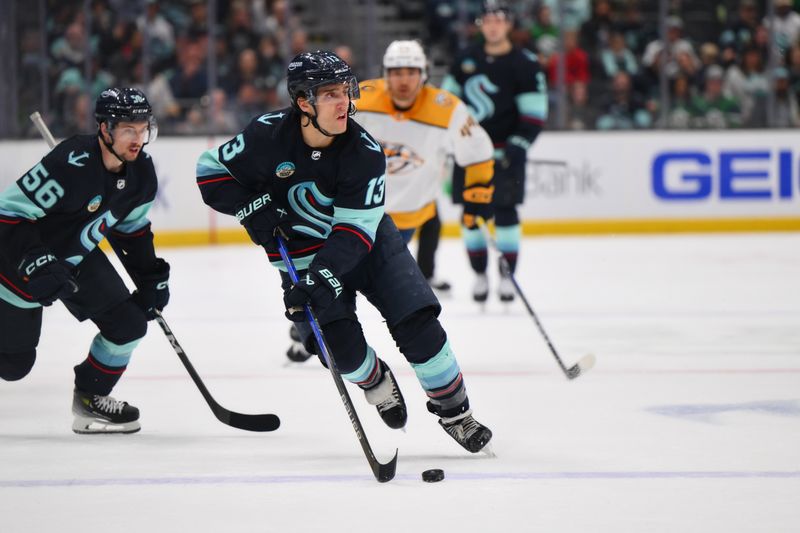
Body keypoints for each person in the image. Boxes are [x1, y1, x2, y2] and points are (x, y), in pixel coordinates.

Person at [195, 51, 493, 453]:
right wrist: (252, 206)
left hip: (370, 245)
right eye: (331, 94)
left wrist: (321, 278)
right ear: (303, 102)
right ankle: (375, 382)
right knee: (339, 351)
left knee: (417, 322)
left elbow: (354, 232)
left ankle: (456, 413)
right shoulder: (266, 135)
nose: (346, 103)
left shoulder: (364, 151)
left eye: (346, 91)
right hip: (299, 252)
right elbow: (210, 173)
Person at [0, 87, 170, 434]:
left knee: (129, 326)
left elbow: (133, 230)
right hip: (17, 262)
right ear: (105, 129)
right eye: (128, 130)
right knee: (14, 365)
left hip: (75, 259)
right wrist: (36, 261)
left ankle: (90, 398)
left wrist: (150, 276)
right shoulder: (71, 162)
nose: (138, 139)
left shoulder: (142, 173)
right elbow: (9, 215)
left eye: (142, 129)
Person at [355, 40, 495, 293]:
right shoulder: (361, 100)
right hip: (358, 211)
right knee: (340, 274)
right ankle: (316, 316)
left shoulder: (447, 109)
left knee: (386, 284)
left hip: (409, 212)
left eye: (411, 72)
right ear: (386, 74)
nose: (404, 80)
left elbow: (478, 153)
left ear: (424, 74)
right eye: (397, 73)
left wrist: (477, 195)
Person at [442, 0, 548, 303]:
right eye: (487, 19)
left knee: (505, 212)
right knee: (471, 215)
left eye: (499, 19)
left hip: (505, 153)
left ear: (509, 25)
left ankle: (507, 276)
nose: (493, 25)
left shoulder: (525, 63)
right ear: (480, 24)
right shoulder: (465, 59)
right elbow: (446, 106)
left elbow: (534, 115)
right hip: (470, 153)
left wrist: (518, 144)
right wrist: (454, 141)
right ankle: (478, 274)